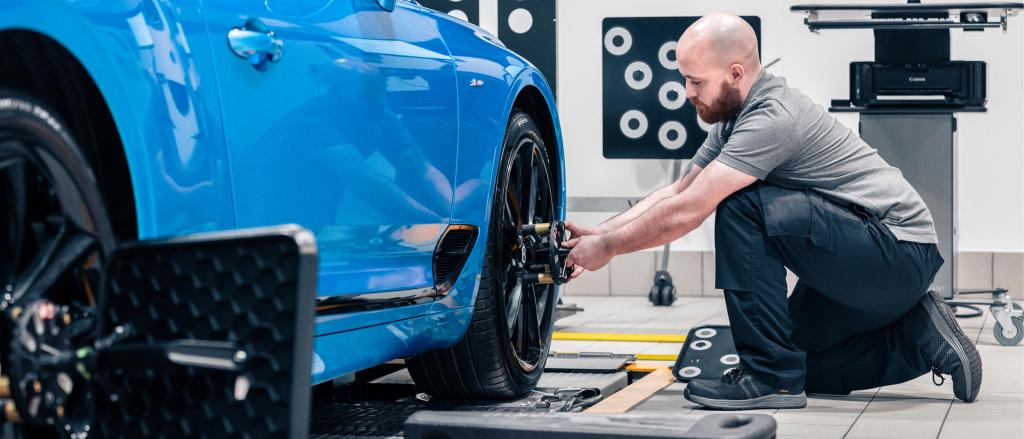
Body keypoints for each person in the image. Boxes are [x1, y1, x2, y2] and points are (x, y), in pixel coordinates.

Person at [563, 12, 981, 410]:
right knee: (797, 362)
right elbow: (679, 189)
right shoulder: (733, 118)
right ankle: (920, 337)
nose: (687, 92)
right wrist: (597, 236)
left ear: (735, 74)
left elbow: (689, 209)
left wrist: (612, 248)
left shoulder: (773, 117)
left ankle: (766, 378)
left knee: (740, 205)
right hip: (871, 255)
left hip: (898, 253)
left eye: (695, 81)